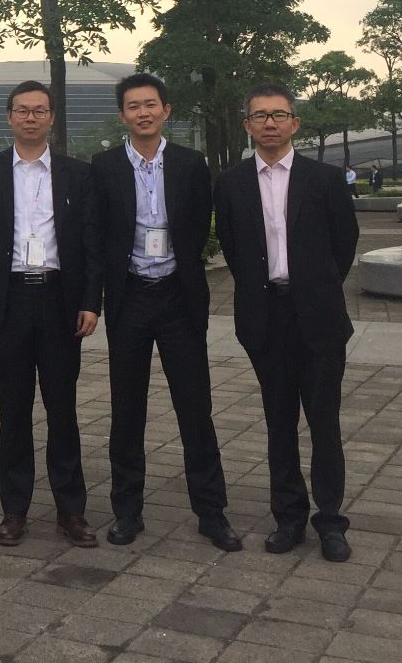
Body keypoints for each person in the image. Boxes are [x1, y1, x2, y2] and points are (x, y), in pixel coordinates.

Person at [87, 74, 238, 552]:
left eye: (151, 104)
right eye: (133, 106)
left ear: (166, 111)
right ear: (122, 115)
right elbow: (95, 237)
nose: (143, 113)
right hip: (129, 296)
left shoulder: (191, 164)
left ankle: (211, 512)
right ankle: (127, 512)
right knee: (126, 410)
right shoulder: (104, 167)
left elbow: (199, 230)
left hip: (179, 297)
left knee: (195, 408)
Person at [213, 82, 359, 564]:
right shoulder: (231, 184)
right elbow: (233, 247)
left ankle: (330, 520)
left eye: (279, 115)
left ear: (295, 123)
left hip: (317, 316)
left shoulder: (325, 180)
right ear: (247, 125)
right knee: (279, 422)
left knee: (324, 421)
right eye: (260, 115)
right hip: (265, 316)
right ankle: (289, 518)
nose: (270, 123)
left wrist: (315, 287)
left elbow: (344, 245)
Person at [0, 79, 100, 548]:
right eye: (22, 110)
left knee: (62, 409)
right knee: (14, 410)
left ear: (51, 118)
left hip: (60, 300)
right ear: (10, 117)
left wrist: (90, 302)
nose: (30, 117)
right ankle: (14, 510)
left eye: (39, 110)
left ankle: (71, 511)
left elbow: (90, 242)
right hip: (11, 300)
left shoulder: (76, 173)